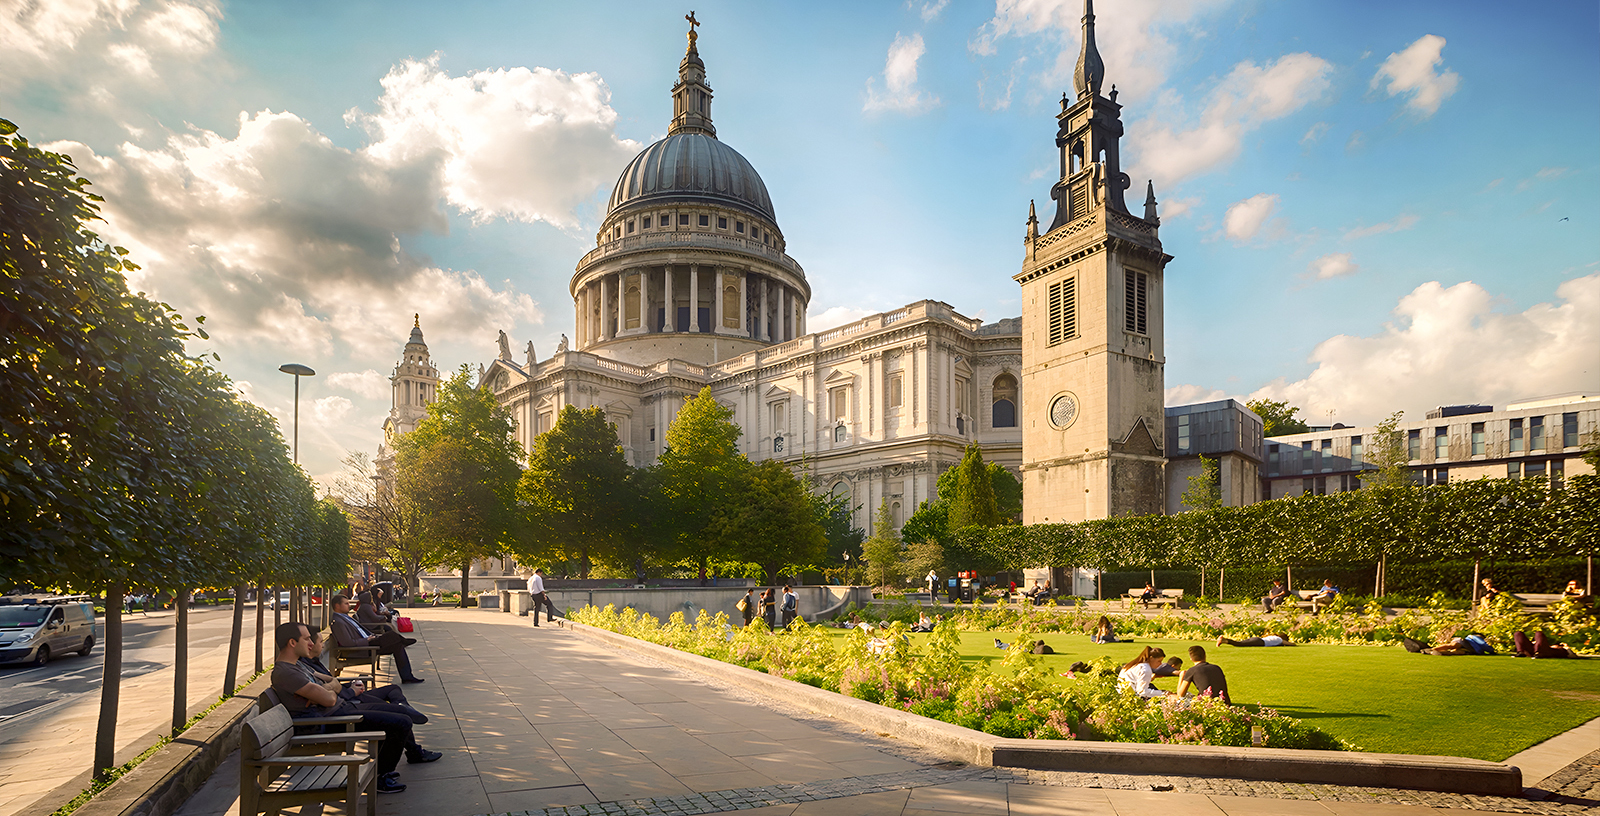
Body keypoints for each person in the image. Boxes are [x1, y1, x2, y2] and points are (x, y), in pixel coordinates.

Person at [270, 622, 437, 794]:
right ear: (292, 642)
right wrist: (328, 691)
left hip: (340, 711)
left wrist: (327, 690)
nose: (311, 643)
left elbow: (330, 681)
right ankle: (380, 776)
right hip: (329, 721)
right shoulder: (286, 673)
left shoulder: (298, 665)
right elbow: (329, 699)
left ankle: (385, 767)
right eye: (306, 639)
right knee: (401, 722)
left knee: (399, 714)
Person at [299, 628, 428, 725]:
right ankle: (403, 710)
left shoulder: (311, 663)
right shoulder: (301, 668)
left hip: (345, 696)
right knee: (398, 714)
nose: (322, 645)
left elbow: (331, 685)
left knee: (393, 690)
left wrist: (347, 685)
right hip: (346, 702)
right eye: (320, 642)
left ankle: (403, 706)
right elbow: (327, 695)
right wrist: (350, 691)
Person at [329, 594, 424, 683]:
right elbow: (347, 643)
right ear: (337, 606)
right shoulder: (338, 621)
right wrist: (367, 640)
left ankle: (407, 677)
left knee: (397, 646)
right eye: (346, 603)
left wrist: (372, 636)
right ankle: (404, 643)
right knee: (392, 636)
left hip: (369, 641)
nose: (349, 605)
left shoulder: (344, 617)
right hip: (363, 648)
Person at [1512, 630, 1584, 659]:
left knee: (1539, 633)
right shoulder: (1555, 648)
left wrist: (1567, 648)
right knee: (1518, 634)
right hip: (1534, 650)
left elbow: (1573, 656)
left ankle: (1538, 653)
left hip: (1543, 652)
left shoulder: (1563, 651)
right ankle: (1521, 652)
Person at [1217, 632, 1293, 647]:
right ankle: (1224, 640)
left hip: (1258, 639)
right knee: (1240, 644)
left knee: (1240, 643)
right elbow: (1289, 644)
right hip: (1260, 642)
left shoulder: (1275, 637)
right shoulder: (1279, 639)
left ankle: (1225, 640)